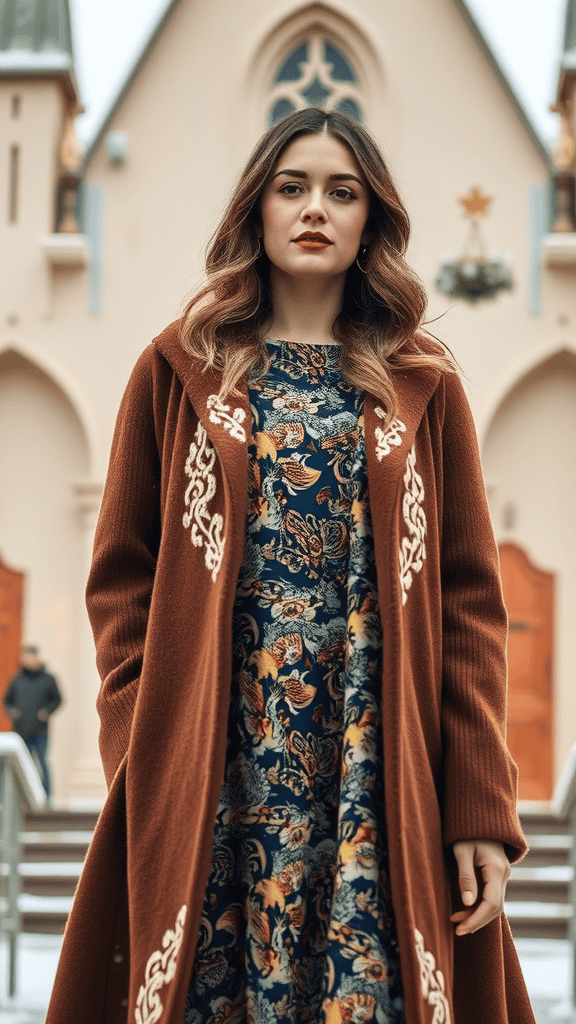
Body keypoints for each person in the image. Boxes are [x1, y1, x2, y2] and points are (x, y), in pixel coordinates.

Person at [45, 108, 535, 1024]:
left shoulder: (425, 383)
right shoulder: (179, 368)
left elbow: (470, 605)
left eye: (342, 193)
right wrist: (143, 738)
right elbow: (121, 576)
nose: (316, 208)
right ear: (258, 209)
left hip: (375, 765)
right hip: (216, 764)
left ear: (370, 222)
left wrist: (480, 805)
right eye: (293, 187)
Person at [4, 644, 62, 801]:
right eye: (24, 657)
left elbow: (58, 700)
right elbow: (7, 701)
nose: (26, 660)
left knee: (42, 763)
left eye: (29, 656)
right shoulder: (17, 680)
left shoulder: (48, 679)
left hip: (40, 731)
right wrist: (12, 711)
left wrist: (46, 711)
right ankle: (22, 799)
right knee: (22, 766)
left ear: (36, 657)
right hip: (21, 731)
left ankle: (47, 798)